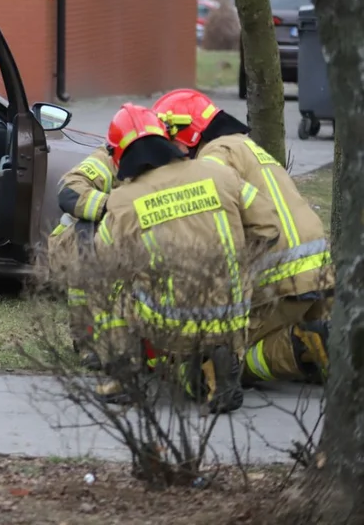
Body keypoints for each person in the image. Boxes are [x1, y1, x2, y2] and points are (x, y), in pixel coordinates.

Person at [91, 104, 282, 413]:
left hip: (167, 323)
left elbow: (103, 266)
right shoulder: (219, 173)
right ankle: (215, 365)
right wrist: (238, 265)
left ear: (118, 154)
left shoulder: (123, 202)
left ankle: (125, 378)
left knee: (107, 292)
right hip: (230, 316)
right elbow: (269, 226)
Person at [152, 88, 333, 385]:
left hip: (280, 278)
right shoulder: (247, 147)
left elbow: (216, 216)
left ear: (186, 132)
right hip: (317, 271)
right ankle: (317, 347)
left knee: (228, 359)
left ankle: (302, 344)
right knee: (324, 354)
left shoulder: (214, 157)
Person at [48, 144, 118, 368]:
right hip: (79, 244)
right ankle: (87, 343)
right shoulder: (108, 160)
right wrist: (115, 208)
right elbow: (69, 190)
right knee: (84, 249)